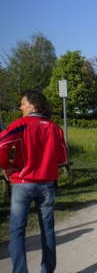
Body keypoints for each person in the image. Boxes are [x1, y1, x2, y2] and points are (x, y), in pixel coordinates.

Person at [0, 89, 68, 273]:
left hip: (23, 184)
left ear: (33, 105)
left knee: (17, 231)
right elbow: (63, 158)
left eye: (23, 104)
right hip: (47, 186)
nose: (20, 107)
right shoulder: (55, 128)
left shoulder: (20, 124)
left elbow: (1, 145)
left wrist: (6, 165)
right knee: (47, 230)